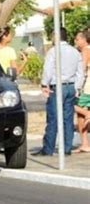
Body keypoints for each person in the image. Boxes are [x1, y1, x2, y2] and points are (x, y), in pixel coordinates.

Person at [35, 27, 84, 156]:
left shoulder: (53, 51)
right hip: (71, 87)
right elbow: (80, 72)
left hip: (57, 87)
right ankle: (67, 148)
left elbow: (48, 69)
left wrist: (44, 83)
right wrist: (77, 88)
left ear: (56, 36)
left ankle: (48, 149)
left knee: (53, 118)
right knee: (68, 119)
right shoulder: (75, 52)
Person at [73, 29, 90, 153]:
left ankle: (85, 143)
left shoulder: (85, 51)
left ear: (84, 40)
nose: (76, 42)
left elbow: (82, 70)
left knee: (72, 105)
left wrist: (76, 85)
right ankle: (84, 143)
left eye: (78, 39)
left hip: (86, 87)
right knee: (81, 113)